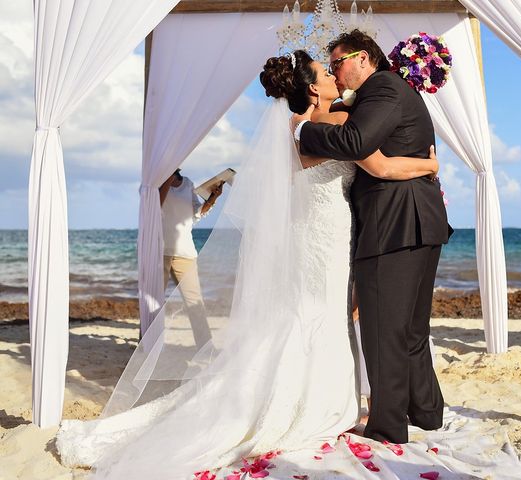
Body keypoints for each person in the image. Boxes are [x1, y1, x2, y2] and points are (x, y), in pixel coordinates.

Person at [54, 49, 439, 478]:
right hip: (329, 237)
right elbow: (379, 165)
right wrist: (429, 162)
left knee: (315, 315)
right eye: (325, 72)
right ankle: (323, 404)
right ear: (313, 88)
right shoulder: (335, 124)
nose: (333, 75)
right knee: (326, 316)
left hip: (320, 235)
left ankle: (319, 397)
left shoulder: (296, 127)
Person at [292, 30, 451, 444]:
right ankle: (427, 413)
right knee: (412, 329)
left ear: (364, 59)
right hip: (418, 220)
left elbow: (356, 141)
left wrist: (300, 132)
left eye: (338, 63)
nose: (335, 73)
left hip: (393, 223)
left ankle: (387, 426)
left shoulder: (382, 88)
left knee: (384, 330)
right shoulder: (384, 92)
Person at [158, 169, 222, 348]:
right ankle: (146, 346)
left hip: (185, 253)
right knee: (154, 302)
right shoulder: (154, 182)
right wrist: (166, 179)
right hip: (158, 252)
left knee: (195, 303)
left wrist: (212, 199)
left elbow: (196, 214)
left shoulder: (187, 184)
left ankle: (205, 348)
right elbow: (154, 207)